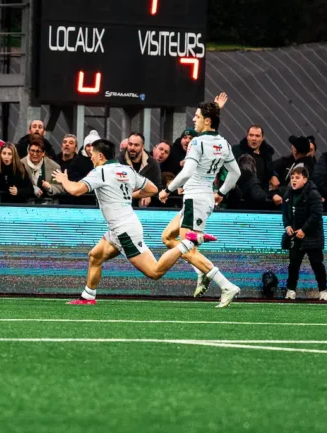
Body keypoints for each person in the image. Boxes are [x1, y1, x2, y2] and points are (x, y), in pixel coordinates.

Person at [52, 139, 218, 306]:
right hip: (120, 227)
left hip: (124, 230)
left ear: (100, 155)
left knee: (155, 271)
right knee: (95, 256)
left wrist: (63, 179)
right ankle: (87, 297)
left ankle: (187, 243)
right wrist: (130, 196)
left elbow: (75, 190)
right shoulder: (126, 170)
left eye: (93, 155)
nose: (91, 159)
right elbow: (152, 189)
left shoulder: (100, 172)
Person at [158, 101, 242, 306]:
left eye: (197, 116)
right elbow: (235, 173)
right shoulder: (224, 143)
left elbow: (187, 172)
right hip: (202, 198)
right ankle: (200, 271)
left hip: (195, 199)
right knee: (168, 237)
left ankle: (226, 286)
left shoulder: (197, 143)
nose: (193, 119)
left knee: (188, 250)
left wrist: (167, 190)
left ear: (207, 120)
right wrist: (220, 192)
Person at [282, 166, 327, 301]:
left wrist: (304, 230)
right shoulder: (288, 193)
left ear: (305, 179)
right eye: (292, 178)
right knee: (294, 264)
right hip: (295, 235)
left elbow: (316, 214)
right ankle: (290, 290)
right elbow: (285, 212)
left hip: (312, 236)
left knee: (317, 264)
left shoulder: (313, 194)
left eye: (297, 178)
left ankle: (323, 291)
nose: (294, 181)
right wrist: (287, 226)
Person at [120, 132, 162, 205]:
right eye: (130, 144)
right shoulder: (118, 161)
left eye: (136, 145)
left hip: (144, 207)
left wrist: (149, 196)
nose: (132, 148)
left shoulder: (153, 163)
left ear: (143, 146)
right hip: (121, 205)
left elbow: (158, 187)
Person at [232, 125, 275, 189]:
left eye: (257, 136)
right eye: (251, 135)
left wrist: (274, 175)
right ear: (247, 136)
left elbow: (271, 168)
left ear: (262, 138)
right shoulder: (237, 151)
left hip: (261, 193)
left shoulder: (267, 154)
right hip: (241, 193)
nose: (254, 139)